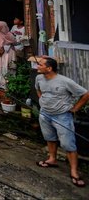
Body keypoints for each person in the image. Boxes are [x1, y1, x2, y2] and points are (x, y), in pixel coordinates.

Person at [35, 56, 89, 188]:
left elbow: (86, 94)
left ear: (49, 68)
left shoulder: (65, 81)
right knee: (50, 138)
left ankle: (74, 172)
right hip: (45, 114)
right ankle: (52, 159)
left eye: (40, 65)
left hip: (62, 116)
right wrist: (43, 101)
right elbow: (38, 89)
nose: (38, 66)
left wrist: (75, 108)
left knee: (68, 144)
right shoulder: (39, 78)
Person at [0, 20, 16, 89]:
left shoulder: (1, 33)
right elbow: (14, 41)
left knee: (3, 66)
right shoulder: (3, 33)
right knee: (4, 66)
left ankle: (3, 84)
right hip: (4, 52)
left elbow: (14, 42)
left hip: (4, 52)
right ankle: (4, 84)